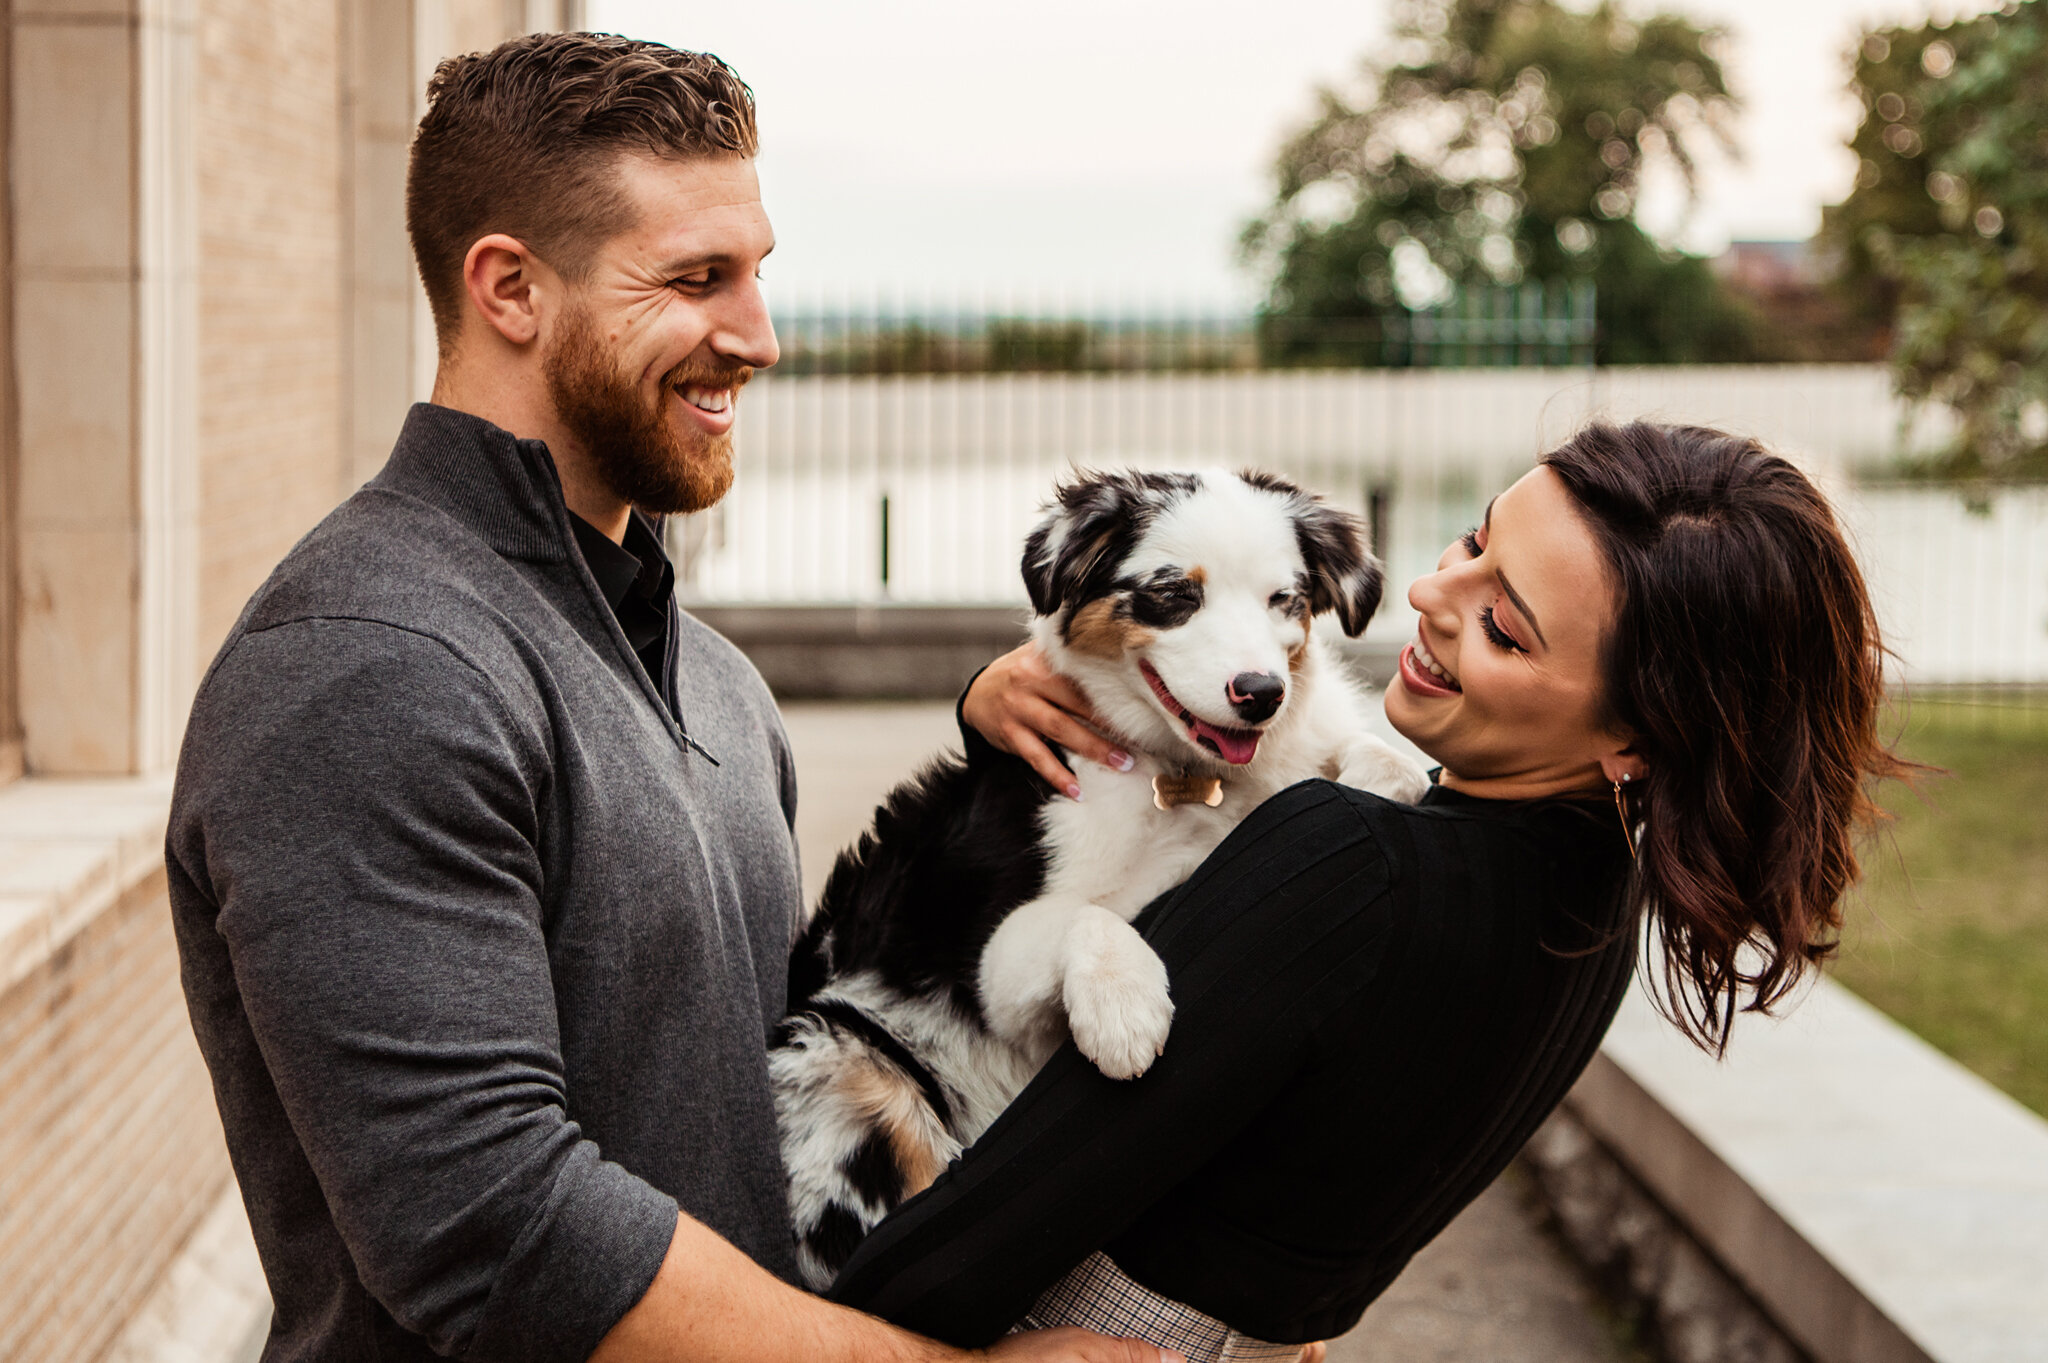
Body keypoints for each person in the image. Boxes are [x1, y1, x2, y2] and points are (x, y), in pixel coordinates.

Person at [167, 32, 1174, 1363]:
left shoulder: (717, 681)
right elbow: (495, 1225)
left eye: (758, 272)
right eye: (697, 278)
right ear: (510, 288)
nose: (758, 335)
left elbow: (814, 1073)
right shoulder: (367, 665)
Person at [830, 421, 1908, 1357]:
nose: (1432, 594)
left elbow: (999, 1216)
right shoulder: (1594, 895)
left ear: (1637, 734)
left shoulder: (1345, 861)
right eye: (1476, 542)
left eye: (1503, 625)